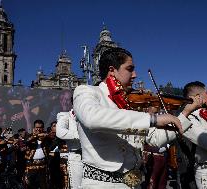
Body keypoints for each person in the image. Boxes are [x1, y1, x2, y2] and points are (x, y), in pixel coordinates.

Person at [73, 47, 200, 188]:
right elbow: (92, 118)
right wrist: (153, 119)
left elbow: (155, 139)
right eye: (129, 69)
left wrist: (185, 113)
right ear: (112, 70)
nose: (135, 75)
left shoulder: (128, 104)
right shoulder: (86, 91)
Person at [56, 108, 83, 188]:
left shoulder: (89, 114)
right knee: (78, 186)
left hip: (92, 156)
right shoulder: (66, 115)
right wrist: (81, 136)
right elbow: (60, 132)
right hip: (76, 157)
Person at [23, 120, 50, 189]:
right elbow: (26, 141)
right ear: (34, 128)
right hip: (31, 165)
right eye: (36, 127)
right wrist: (36, 136)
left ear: (43, 128)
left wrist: (43, 136)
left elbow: (50, 137)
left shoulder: (46, 137)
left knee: (44, 185)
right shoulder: (29, 136)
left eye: (40, 127)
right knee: (30, 185)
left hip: (43, 166)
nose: (38, 129)